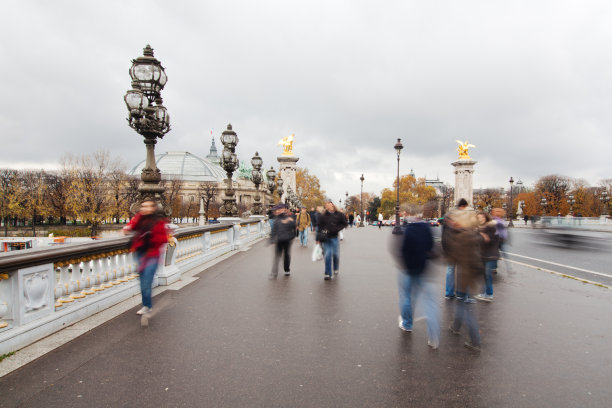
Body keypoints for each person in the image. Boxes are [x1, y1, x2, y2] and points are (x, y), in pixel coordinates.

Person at [397, 213, 440, 349]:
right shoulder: (427, 228)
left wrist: (404, 262)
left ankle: (407, 324)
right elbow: (432, 247)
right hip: (424, 268)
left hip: (408, 269)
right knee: (429, 303)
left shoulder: (406, 229)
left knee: (406, 297)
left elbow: (402, 250)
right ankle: (433, 336)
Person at [444, 198, 483, 351]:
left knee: (465, 305)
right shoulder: (473, 233)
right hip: (471, 272)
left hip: (466, 274)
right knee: (462, 302)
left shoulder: (461, 236)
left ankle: (475, 341)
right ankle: (455, 326)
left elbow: (453, 257)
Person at [123, 199, 169, 316]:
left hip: (152, 254)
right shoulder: (139, 218)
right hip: (140, 254)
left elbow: (163, 239)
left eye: (148, 206)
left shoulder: (158, 221)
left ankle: (147, 306)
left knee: (146, 281)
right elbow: (131, 226)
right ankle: (146, 304)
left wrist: (150, 237)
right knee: (142, 280)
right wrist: (126, 229)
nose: (145, 209)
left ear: (153, 208)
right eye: (143, 206)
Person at [442, 199, 470, 300]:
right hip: (459, 246)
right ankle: (460, 293)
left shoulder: (448, 215)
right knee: (461, 270)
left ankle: (449, 292)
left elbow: (445, 233)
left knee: (450, 269)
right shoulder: (459, 216)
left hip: (449, 246)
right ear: (462, 206)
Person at [316, 201, 348, 280]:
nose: (329, 206)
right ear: (326, 207)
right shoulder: (323, 216)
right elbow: (319, 227)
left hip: (334, 237)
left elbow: (345, 223)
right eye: (327, 205)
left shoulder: (339, 214)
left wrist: (337, 229)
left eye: (330, 205)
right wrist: (318, 239)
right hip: (326, 238)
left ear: (333, 205)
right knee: (327, 255)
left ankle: (335, 268)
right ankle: (328, 273)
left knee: (336, 255)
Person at [474, 211, 499, 302]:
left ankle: (489, 294)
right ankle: (485, 293)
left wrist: (483, 235)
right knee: (485, 275)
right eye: (478, 218)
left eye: (482, 217)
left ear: (486, 218)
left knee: (488, 275)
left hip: (491, 255)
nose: (480, 219)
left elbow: (490, 241)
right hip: (483, 255)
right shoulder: (479, 228)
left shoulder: (491, 227)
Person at [269, 203, 296, 278]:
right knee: (277, 256)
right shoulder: (276, 219)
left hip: (287, 240)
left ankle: (287, 269)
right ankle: (274, 272)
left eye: (280, 209)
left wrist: (290, 221)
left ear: (283, 210)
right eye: (278, 210)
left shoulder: (288, 217)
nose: (278, 211)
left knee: (286, 255)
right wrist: (272, 239)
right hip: (279, 240)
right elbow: (274, 230)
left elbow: (294, 226)